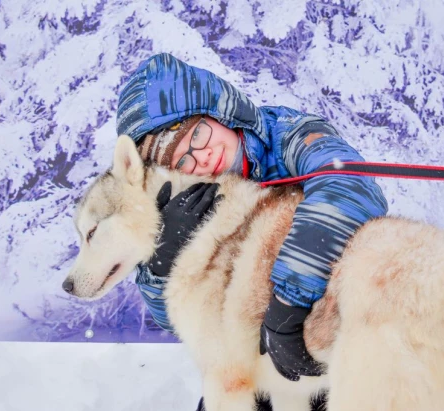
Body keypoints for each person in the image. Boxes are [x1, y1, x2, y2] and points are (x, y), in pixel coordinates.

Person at [116, 53, 388, 410]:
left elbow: (350, 187)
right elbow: (172, 319)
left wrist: (288, 302)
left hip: (338, 323)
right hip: (250, 349)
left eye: (198, 133)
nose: (202, 156)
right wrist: (164, 262)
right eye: (182, 160)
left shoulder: (290, 135)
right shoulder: (184, 201)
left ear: (219, 111)